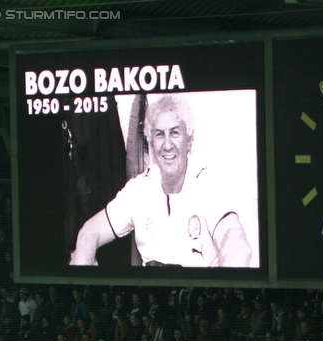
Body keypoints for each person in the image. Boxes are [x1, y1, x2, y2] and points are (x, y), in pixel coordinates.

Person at [70, 95, 253, 268]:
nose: (167, 145)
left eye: (174, 133)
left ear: (189, 140)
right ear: (150, 141)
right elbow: (89, 232)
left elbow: (237, 245)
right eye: (159, 134)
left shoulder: (206, 185)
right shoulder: (139, 190)